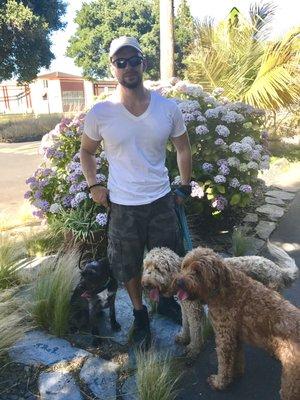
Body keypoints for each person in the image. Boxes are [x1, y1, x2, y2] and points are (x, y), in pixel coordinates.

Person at [80, 36, 192, 349]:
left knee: (168, 260)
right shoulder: (101, 113)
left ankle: (166, 302)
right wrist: (94, 184)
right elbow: (86, 152)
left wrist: (184, 184)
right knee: (127, 265)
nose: (128, 67)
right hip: (123, 206)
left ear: (143, 63)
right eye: (121, 62)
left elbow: (182, 147)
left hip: (160, 201)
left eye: (133, 60)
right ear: (112, 67)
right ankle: (141, 314)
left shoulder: (167, 108)